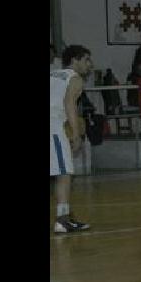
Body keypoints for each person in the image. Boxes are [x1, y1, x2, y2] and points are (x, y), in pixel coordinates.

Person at [50, 45, 94, 234]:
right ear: (74, 60)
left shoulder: (52, 74)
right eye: (86, 60)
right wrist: (76, 134)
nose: (90, 65)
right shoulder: (74, 78)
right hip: (53, 126)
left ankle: (66, 215)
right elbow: (69, 104)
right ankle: (62, 220)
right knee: (64, 173)